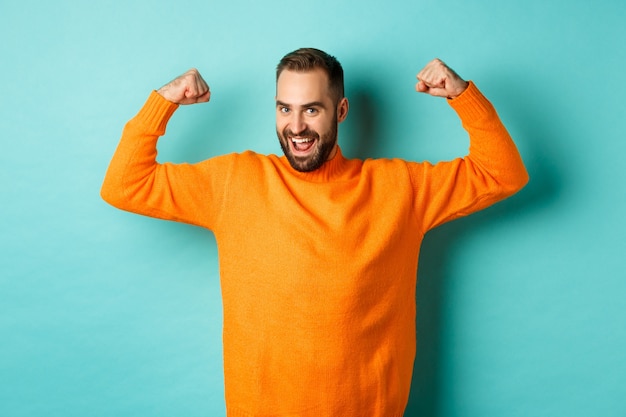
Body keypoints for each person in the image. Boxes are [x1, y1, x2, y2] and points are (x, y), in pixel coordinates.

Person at [101, 47, 528, 417]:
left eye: (312, 109)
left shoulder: (401, 188)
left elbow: (502, 173)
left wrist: (462, 96)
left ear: (340, 111)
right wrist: (163, 101)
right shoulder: (235, 181)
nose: (297, 126)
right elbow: (124, 185)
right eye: (285, 108)